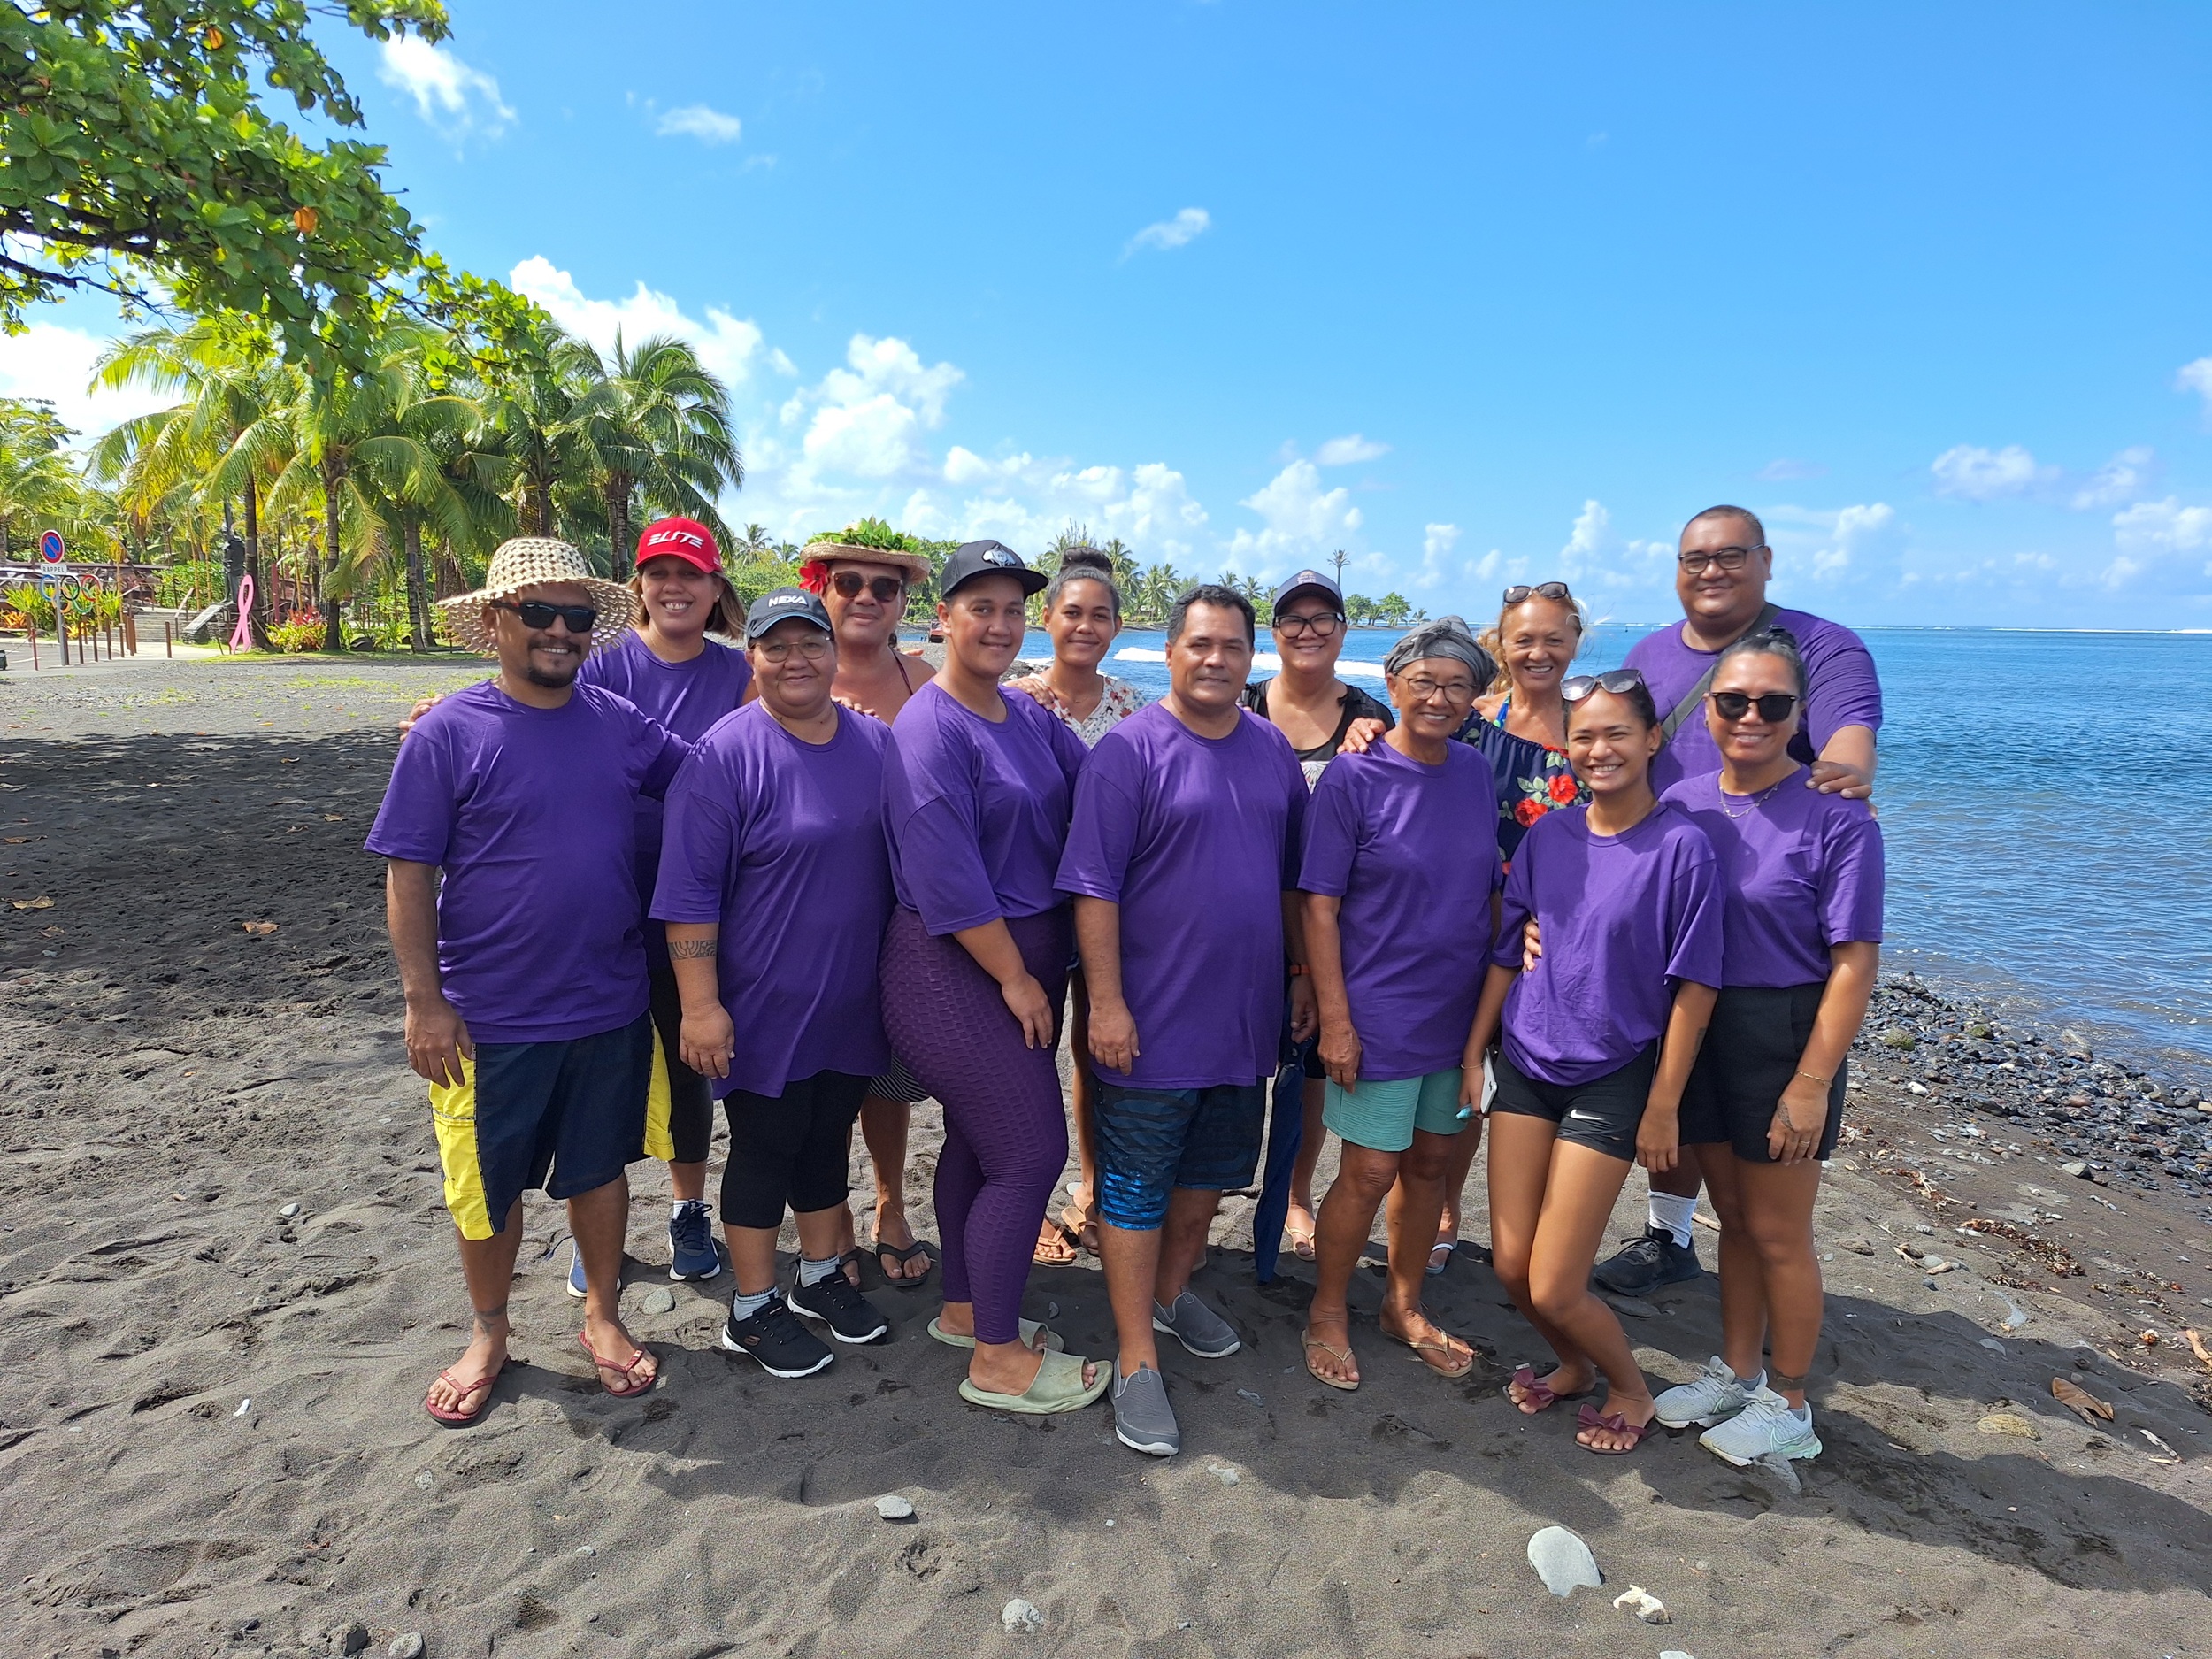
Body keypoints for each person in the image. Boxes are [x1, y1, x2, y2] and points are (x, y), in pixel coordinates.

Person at [367, 538, 688, 1424]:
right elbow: (406, 875)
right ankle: (489, 1331)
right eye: (538, 613)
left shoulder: (618, 720)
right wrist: (423, 1004)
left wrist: (836, 725)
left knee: (600, 1171)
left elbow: (710, 777)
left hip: (608, 1000)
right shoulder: (446, 733)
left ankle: (601, 1315)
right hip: (486, 1017)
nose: (558, 631)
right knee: (486, 1187)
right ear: (497, 622)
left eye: (577, 617)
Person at [1594, 504, 1884, 1299]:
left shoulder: (1823, 644)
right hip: (1673, 903)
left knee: (1765, 1197)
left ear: (1766, 560)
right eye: (1695, 558)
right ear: (1676, 567)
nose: (1712, 571)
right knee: (1681, 1099)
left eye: (1731, 556)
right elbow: (1605, 741)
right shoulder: (1652, 652)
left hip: (1767, 905)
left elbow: (1850, 735)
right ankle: (1671, 1233)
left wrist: (1844, 784)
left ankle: (1760, 1354)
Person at [1058, 584, 1314, 1457]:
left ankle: (1171, 1295)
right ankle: (1135, 1357)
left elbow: (1289, 885)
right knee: (1132, 1193)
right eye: (1198, 644)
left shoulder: (1273, 753)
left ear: (1252, 659)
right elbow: (1092, 888)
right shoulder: (1128, 753)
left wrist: (1302, 977)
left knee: (1206, 1186)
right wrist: (1108, 1003)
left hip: (1242, 1023)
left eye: (1231, 647)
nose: (1214, 659)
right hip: (1150, 1022)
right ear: (1168, 654)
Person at [879, 540, 1110, 1416]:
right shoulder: (929, 726)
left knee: (981, 1145)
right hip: (953, 969)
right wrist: (1016, 980)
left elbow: (1100, 790)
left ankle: (967, 1309)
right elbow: (947, 879)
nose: (1001, 624)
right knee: (1029, 1153)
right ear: (942, 620)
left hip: (1018, 964)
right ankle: (998, 1360)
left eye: (1015, 609)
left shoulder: (1030, 715)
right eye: (981, 607)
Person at [1466, 668, 1722, 1453]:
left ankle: (1632, 1386)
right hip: (1528, 1061)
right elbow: (1512, 948)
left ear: (1652, 741)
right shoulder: (1550, 835)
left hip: (1612, 1073)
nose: (1599, 748)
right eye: (1584, 736)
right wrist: (1473, 1047)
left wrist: (1665, 1103)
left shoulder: (1682, 847)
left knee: (1554, 1280)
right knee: (1511, 1265)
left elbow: (1696, 986)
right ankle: (1573, 1362)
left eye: (1617, 733)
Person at [651, 588, 900, 1377]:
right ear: (750, 655)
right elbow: (688, 897)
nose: (796, 660)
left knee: (828, 1136)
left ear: (834, 650)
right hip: (761, 1001)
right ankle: (751, 1306)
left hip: (850, 997)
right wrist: (700, 1007)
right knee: (766, 1145)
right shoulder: (722, 754)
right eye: (776, 645)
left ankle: (821, 1274)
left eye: (810, 643)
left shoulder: (875, 743)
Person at [1652, 630, 1883, 1463]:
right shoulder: (1679, 799)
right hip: (1699, 1024)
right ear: (1707, 709)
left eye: (1773, 703)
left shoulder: (1838, 817)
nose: (1751, 716)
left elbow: (1855, 961)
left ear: (1800, 714)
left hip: (1784, 1031)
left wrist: (1814, 1079)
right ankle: (1738, 1371)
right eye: (1732, 701)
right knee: (1735, 1221)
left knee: (1781, 1230)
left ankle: (1790, 1400)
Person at [1296, 618, 1499, 1391]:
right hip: (1378, 1008)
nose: (1439, 697)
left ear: (1475, 698)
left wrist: (1491, 1017)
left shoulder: (1476, 773)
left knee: (1434, 1164)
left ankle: (1403, 1304)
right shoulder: (1354, 776)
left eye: (1456, 685)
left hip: (1457, 1013)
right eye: (1424, 682)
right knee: (1370, 1170)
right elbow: (1319, 907)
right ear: (1393, 687)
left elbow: (1486, 893)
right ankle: (1327, 1309)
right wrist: (1336, 1019)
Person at [560, 516, 755, 1294]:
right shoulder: (599, 662)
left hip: (704, 904)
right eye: (660, 572)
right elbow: (527, 707)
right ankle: (596, 1225)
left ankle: (686, 1208)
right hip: (605, 895)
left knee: (689, 1061)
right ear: (638, 585)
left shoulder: (740, 672)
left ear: (715, 590)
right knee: (601, 1064)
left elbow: (783, 743)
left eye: (692, 573)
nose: (675, 587)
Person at [802, 535, 941, 1287]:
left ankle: (889, 1200)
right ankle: (829, 1218)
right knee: (818, 1076)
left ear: (902, 604)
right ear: (822, 589)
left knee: (886, 1076)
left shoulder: (921, 679)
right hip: (806, 911)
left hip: (894, 906)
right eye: (847, 582)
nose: (865, 597)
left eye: (883, 589)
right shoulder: (783, 670)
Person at [1241, 568, 1392, 1264]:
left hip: (1331, 920)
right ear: (1273, 634)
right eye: (1293, 620)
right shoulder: (1240, 705)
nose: (1308, 630)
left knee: (1309, 1071)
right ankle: (1213, 1186)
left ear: (1342, 630)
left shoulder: (1370, 716)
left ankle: (1297, 1191)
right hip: (1241, 914)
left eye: (1322, 618)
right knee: (1234, 1064)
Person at [1008, 546, 1148, 1264]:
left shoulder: (1130, 706)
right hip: (1029, 901)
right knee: (1026, 1051)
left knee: (1096, 1050)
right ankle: (1026, 1200)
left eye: (1100, 615)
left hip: (1104, 904)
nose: (1085, 626)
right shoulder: (1014, 697)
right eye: (1072, 613)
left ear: (1118, 626)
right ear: (1046, 619)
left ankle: (1089, 1191)